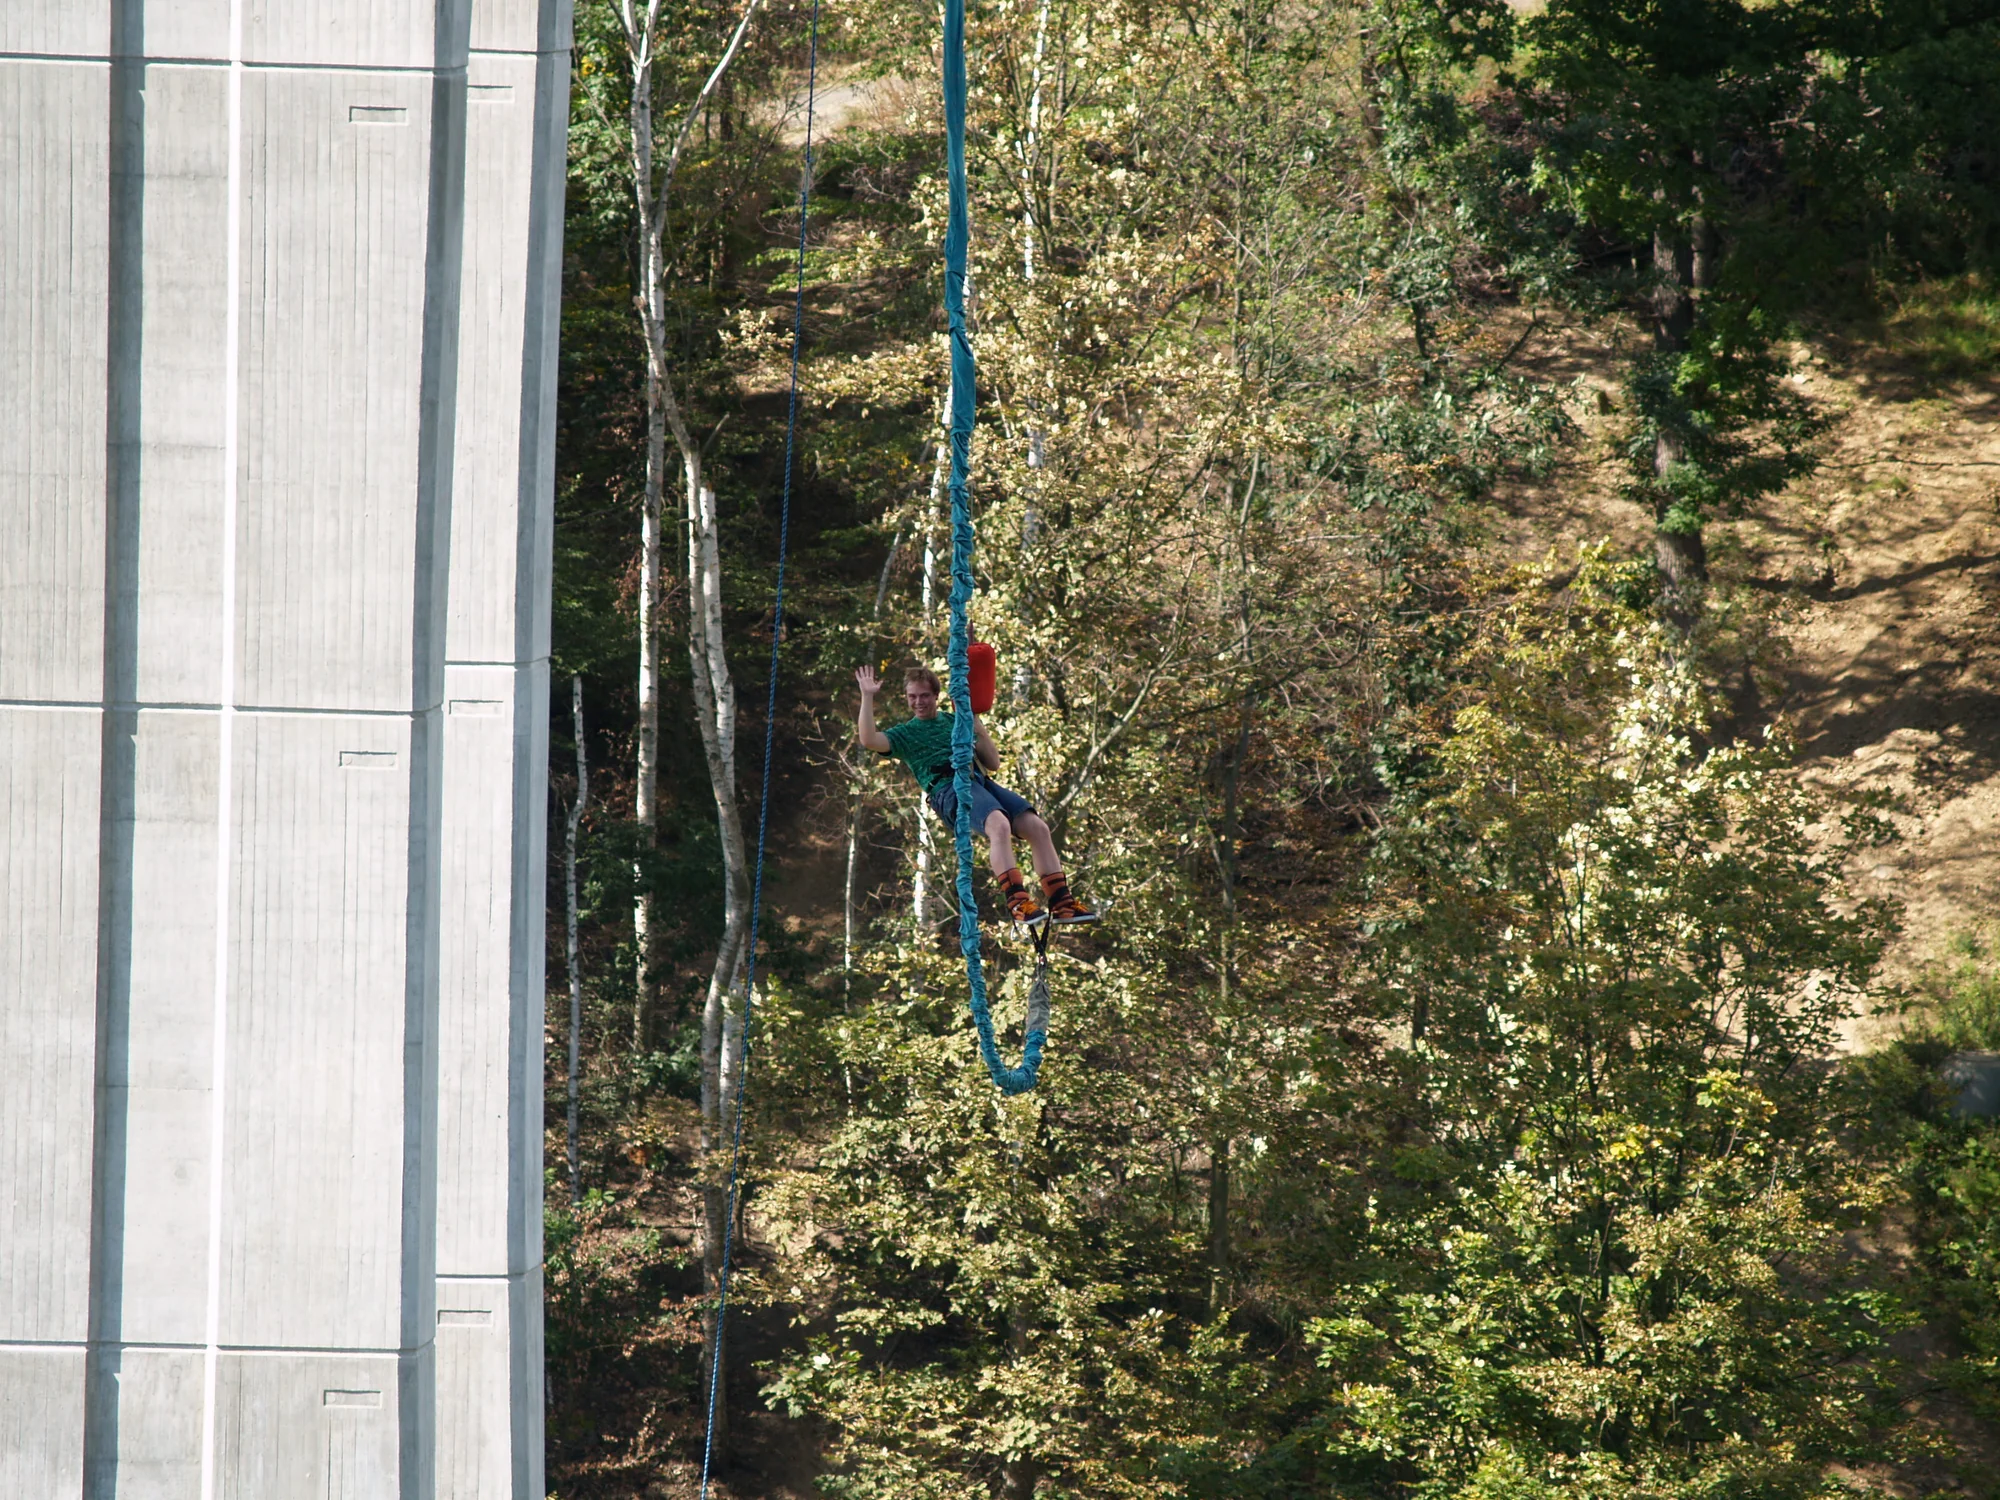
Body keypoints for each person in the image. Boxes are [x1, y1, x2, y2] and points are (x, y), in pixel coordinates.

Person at [856, 663, 1097, 927]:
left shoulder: (955, 721)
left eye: (924, 695)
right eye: (912, 696)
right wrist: (867, 696)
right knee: (998, 824)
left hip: (979, 782)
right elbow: (869, 739)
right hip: (948, 789)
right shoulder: (905, 734)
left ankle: (1061, 902)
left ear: (936, 696)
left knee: (1037, 827)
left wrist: (971, 717)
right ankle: (1018, 902)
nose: (918, 702)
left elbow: (992, 762)